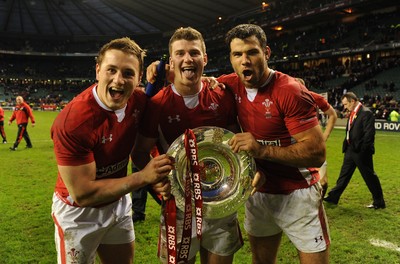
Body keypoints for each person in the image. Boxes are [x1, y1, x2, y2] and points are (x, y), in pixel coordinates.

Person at [50, 37, 174, 264]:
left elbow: (171, 87)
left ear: (138, 78)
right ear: (98, 70)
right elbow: (83, 193)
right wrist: (143, 177)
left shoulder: (138, 101)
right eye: (111, 70)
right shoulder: (74, 122)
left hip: (117, 202)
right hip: (78, 213)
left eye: (128, 73)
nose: (118, 80)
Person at [217, 24, 330, 264]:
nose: (244, 60)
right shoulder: (229, 84)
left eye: (252, 52)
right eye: (237, 54)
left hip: (298, 192)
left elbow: (317, 152)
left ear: (266, 53)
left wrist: (261, 150)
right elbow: (193, 85)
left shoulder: (289, 91)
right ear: (231, 58)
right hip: (259, 192)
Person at [132, 27, 243, 264]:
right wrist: (156, 180)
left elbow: (235, 145)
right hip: (179, 206)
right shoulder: (157, 105)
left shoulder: (222, 96)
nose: (187, 59)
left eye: (194, 53)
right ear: (171, 62)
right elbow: (140, 152)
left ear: (205, 59)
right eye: (180, 53)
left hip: (221, 203)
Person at [324, 92, 385, 209]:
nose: (345, 107)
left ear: (352, 101)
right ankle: (333, 197)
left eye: (346, 104)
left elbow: (369, 135)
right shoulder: (354, 112)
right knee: (344, 175)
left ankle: (379, 201)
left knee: (369, 176)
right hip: (350, 149)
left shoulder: (366, 113)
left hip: (361, 152)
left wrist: (362, 150)